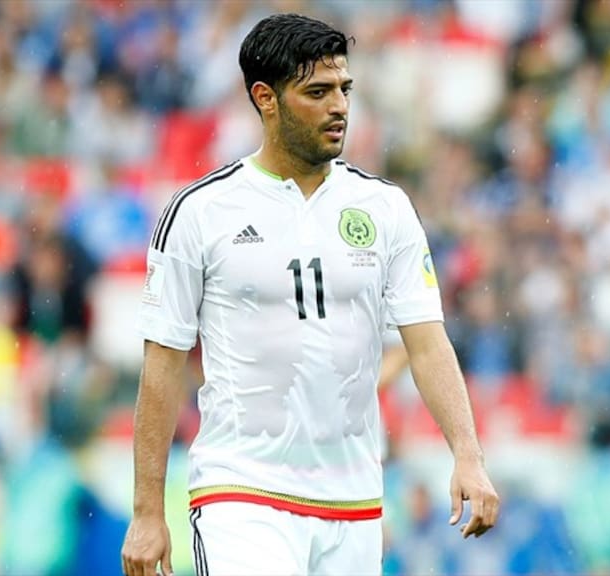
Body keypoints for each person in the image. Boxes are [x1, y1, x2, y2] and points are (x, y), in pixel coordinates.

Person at [121, 13, 498, 576]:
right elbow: (163, 364)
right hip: (241, 494)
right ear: (265, 98)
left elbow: (426, 343)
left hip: (355, 501)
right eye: (317, 92)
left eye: (344, 89)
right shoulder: (200, 212)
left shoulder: (385, 208)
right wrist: (148, 511)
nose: (339, 106)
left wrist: (468, 454)